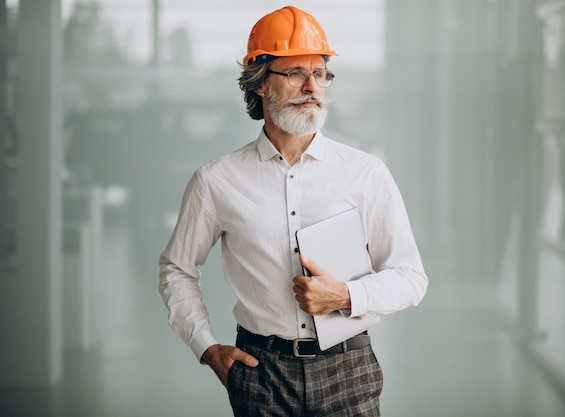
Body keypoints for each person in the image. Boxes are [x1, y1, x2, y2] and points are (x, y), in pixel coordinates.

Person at [159, 6, 428, 416]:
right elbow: (177, 270)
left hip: (348, 369)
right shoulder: (216, 180)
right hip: (261, 372)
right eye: (296, 74)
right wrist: (207, 348)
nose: (312, 86)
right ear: (260, 83)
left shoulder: (365, 173)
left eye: (320, 74)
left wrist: (347, 295)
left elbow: (411, 278)